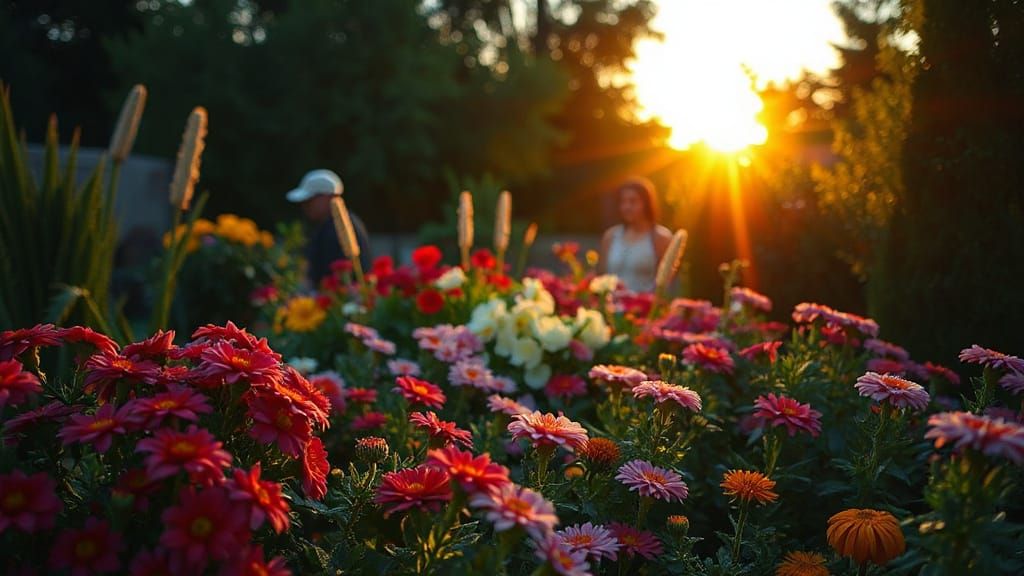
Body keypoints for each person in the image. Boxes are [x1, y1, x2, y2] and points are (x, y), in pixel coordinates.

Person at [286, 169, 370, 287]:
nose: (305, 206)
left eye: (309, 200)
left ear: (326, 197)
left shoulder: (336, 228)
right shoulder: (326, 226)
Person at [599, 177, 673, 293]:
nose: (627, 207)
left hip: (643, 307)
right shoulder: (611, 236)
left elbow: (665, 282)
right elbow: (601, 277)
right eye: (623, 202)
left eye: (633, 201)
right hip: (611, 308)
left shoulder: (660, 237)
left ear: (646, 204)